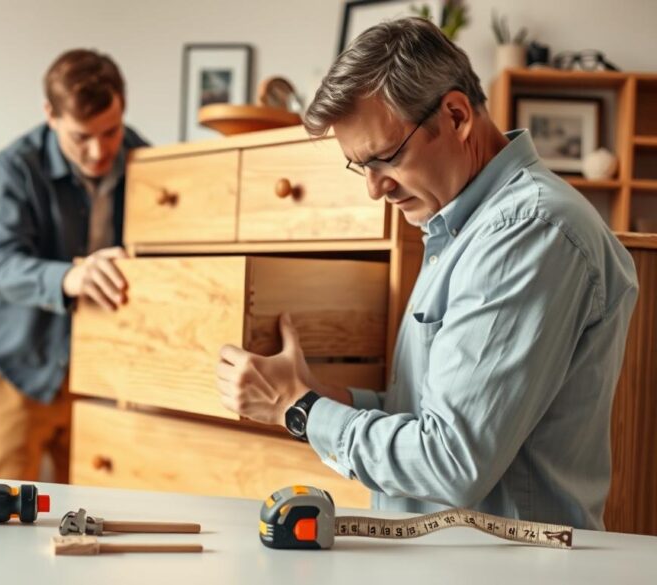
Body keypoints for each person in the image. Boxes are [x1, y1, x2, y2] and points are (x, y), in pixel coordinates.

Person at [215, 17, 638, 530]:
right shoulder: (461, 228)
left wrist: (298, 408)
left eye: (385, 158)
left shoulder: (527, 232)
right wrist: (321, 395)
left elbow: (449, 463)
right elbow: (424, 413)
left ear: (457, 115)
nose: (375, 189)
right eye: (359, 166)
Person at [0, 48, 147, 482]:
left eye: (110, 132)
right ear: (50, 114)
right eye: (80, 137)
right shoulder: (16, 165)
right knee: (3, 519)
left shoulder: (146, 158)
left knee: (96, 516)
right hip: (18, 370)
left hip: (105, 376)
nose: (98, 152)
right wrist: (70, 276)